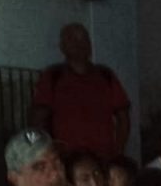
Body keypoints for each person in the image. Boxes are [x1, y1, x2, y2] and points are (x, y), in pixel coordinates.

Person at [30, 22, 130, 160]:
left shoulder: (105, 75)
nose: (80, 44)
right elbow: (37, 120)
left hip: (103, 159)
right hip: (67, 159)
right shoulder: (53, 76)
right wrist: (46, 153)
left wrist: (118, 152)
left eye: (84, 39)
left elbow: (123, 118)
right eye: (73, 39)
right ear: (62, 46)